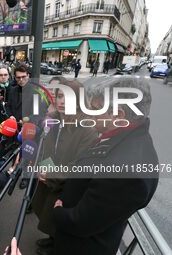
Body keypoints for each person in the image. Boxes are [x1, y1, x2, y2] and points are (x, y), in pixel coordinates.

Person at [52, 78, 159, 255]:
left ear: (118, 115)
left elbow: (82, 222)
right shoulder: (124, 136)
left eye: (95, 109)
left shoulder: (126, 170)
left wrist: (58, 212)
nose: (90, 113)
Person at [32, 77, 97, 255]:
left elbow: (79, 166)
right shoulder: (53, 120)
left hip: (65, 185)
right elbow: (46, 148)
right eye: (60, 96)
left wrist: (51, 174)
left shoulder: (86, 128)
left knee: (59, 218)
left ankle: (56, 246)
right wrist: (41, 165)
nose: (61, 101)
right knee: (47, 213)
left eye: (68, 97)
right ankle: (52, 239)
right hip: (49, 178)